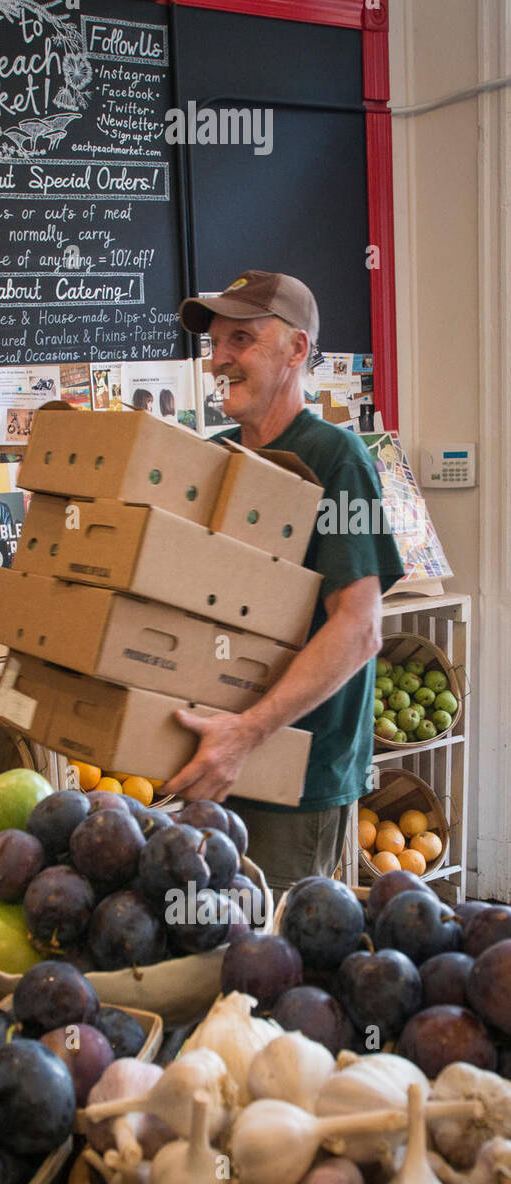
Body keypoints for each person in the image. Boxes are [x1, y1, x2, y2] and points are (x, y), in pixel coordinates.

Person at [162, 270, 405, 895]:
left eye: (240, 339)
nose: (219, 359)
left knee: (274, 961)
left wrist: (246, 734)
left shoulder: (337, 459)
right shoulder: (215, 456)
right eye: (215, 343)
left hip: (294, 777)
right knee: (210, 945)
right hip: (213, 759)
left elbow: (359, 629)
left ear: (296, 350)